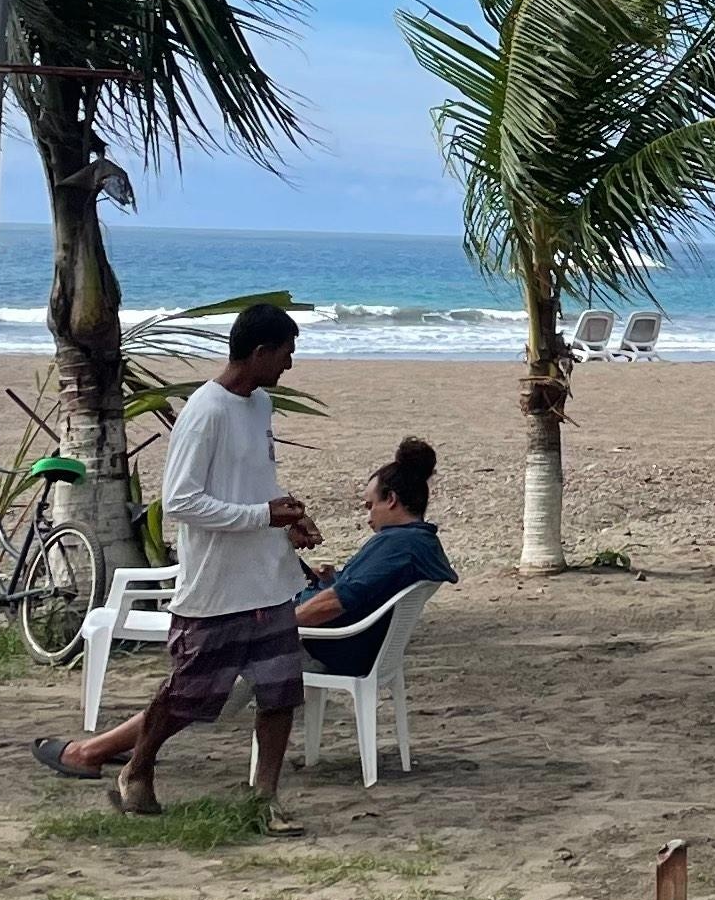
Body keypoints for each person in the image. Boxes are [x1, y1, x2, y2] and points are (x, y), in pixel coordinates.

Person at [37, 300, 316, 816]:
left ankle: (265, 799)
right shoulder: (205, 412)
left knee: (280, 694)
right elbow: (182, 502)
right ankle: (136, 769)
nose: (288, 366)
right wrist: (261, 516)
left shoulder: (260, 406)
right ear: (258, 352)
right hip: (216, 585)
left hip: (268, 582)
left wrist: (288, 517)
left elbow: (258, 481)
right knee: (185, 695)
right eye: (285, 354)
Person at [300, 435, 455, 681]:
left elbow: (340, 600)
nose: (368, 515)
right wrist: (334, 577)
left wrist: (280, 623)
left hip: (332, 648)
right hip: (363, 648)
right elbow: (366, 587)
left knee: (239, 647)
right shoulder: (421, 542)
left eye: (370, 505)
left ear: (391, 499)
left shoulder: (398, 545)